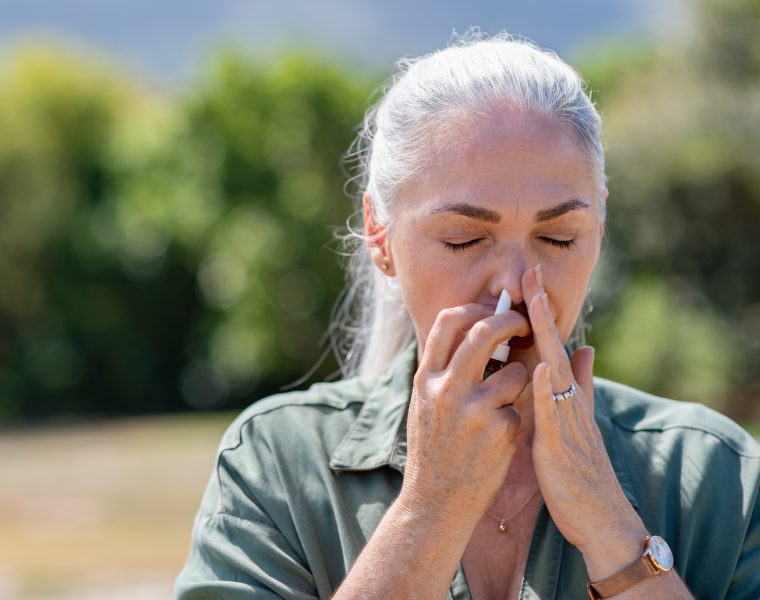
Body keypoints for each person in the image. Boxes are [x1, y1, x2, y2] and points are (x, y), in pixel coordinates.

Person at [176, 32, 760, 599]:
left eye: (558, 237)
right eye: (463, 239)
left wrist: (610, 524)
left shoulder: (719, 476)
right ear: (380, 236)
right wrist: (430, 512)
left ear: (600, 229)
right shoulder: (274, 465)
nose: (513, 283)